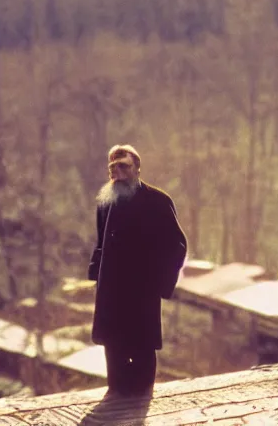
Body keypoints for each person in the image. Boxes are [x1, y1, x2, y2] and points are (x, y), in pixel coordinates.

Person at [88, 144, 187, 396]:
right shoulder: (105, 202)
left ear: (137, 169)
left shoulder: (158, 201)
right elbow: (101, 242)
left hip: (142, 292)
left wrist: (161, 283)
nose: (117, 172)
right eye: (113, 167)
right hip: (111, 291)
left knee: (142, 353)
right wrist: (96, 272)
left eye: (124, 166)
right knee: (114, 352)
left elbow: (177, 245)